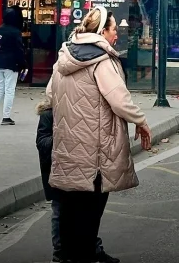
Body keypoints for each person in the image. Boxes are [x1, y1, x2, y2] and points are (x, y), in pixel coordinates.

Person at [46, 5, 152, 263]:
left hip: (68, 147)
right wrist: (141, 121)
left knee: (70, 209)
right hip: (96, 150)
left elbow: (50, 96)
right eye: (114, 30)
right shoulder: (103, 60)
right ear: (102, 31)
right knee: (91, 210)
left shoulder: (64, 56)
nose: (117, 35)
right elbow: (119, 100)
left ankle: (69, 255)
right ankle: (85, 255)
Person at [36, 98, 117, 263]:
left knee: (88, 213)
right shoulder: (49, 113)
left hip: (83, 170)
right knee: (60, 211)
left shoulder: (84, 112)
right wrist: (64, 136)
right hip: (58, 172)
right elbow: (42, 142)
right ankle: (60, 253)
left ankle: (93, 248)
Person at [0, 6, 27, 125]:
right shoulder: (15, 32)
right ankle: (6, 116)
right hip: (11, 63)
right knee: (9, 89)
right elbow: (19, 50)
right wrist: (23, 63)